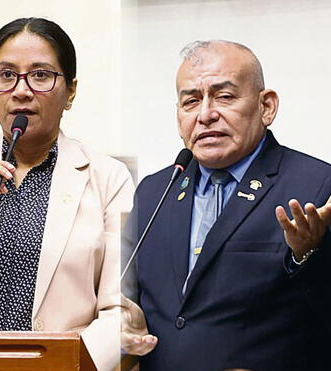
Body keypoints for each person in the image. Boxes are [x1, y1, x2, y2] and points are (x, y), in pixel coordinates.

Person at [0, 17, 134, 370]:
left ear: (71, 91)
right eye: (6, 75)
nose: (21, 90)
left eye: (41, 75)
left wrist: (70, 364)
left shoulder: (109, 178)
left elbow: (121, 307)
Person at [121, 40, 331, 371]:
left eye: (225, 96)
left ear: (267, 106)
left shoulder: (317, 186)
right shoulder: (154, 192)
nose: (206, 115)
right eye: (191, 101)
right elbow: (124, 298)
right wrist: (117, 321)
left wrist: (310, 256)